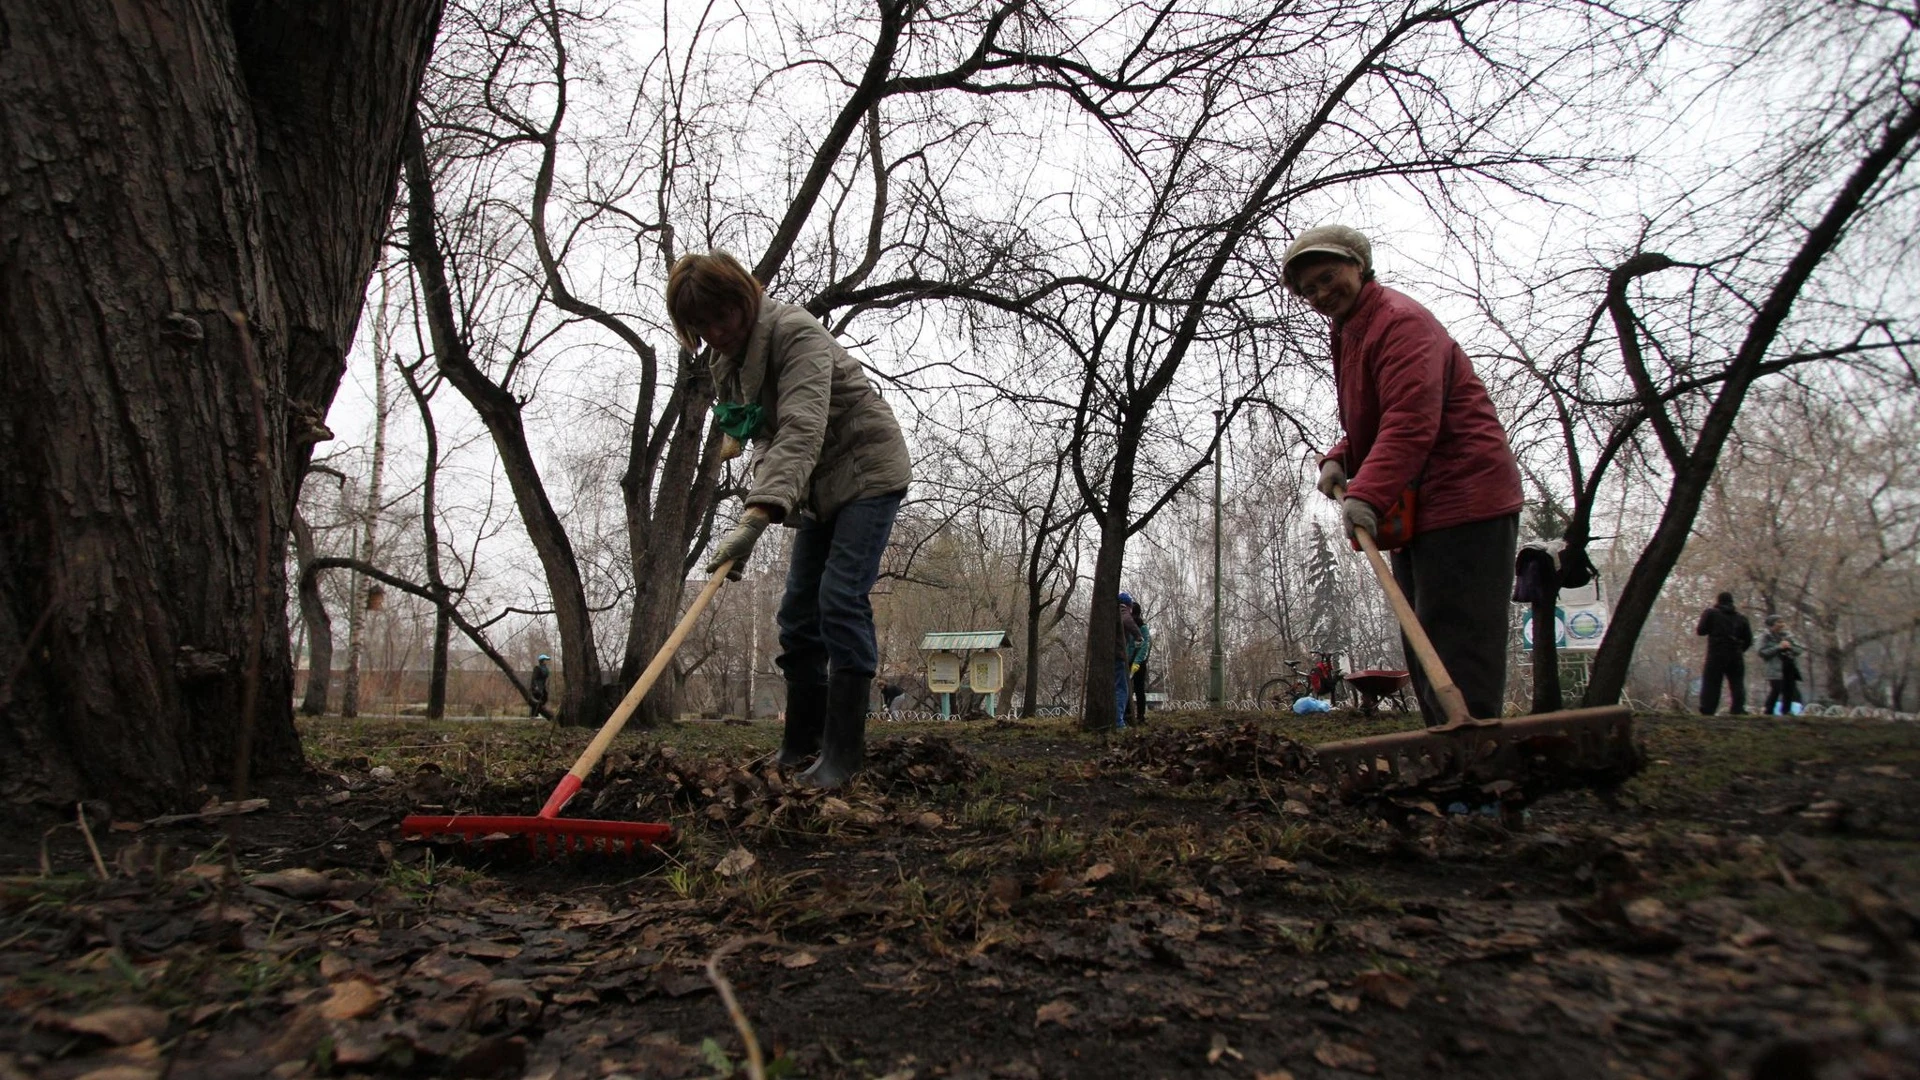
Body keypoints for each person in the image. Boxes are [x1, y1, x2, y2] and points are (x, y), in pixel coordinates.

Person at [667, 252, 912, 788]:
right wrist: (757, 506)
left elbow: (802, 427)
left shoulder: (795, 333)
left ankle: (843, 755)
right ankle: (803, 742)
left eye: (721, 317)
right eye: (700, 325)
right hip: (817, 487)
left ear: (742, 299)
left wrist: (757, 518)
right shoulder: (725, 360)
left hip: (867, 470)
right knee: (798, 614)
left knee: (840, 597)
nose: (715, 332)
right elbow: (759, 436)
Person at [1286, 225, 1524, 727]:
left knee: (1457, 639)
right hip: (1421, 503)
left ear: (1359, 265)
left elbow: (1413, 418)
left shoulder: (1399, 321)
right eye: (1309, 290)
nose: (1321, 295)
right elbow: (1377, 419)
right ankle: (1449, 754)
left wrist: (1367, 491)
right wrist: (1342, 455)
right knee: (1423, 636)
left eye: (1328, 278)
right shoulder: (1354, 330)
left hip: (1465, 497)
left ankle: (1479, 771)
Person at [1695, 592, 1754, 715]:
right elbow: (1748, 640)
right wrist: (1739, 650)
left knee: (1712, 682)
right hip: (1736, 654)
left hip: (1716, 653)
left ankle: (1708, 708)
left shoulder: (1711, 613)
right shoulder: (1741, 618)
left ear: (1718, 601)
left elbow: (1701, 631)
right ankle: (1738, 708)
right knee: (1737, 682)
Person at [1758, 614, 1803, 716]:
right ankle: (1768, 711)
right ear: (1771, 624)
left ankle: (1786, 711)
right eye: (1778, 622)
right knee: (1776, 690)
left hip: (1789, 666)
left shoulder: (1788, 636)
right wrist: (1778, 647)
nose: (1782, 624)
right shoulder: (1764, 637)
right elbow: (1762, 652)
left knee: (1789, 690)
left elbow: (1799, 649)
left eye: (1782, 622)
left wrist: (1790, 647)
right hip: (1774, 668)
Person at [1117, 592, 1142, 731]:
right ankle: (1118, 722)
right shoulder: (1123, 612)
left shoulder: (1111, 613)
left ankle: (1117, 719)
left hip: (1111, 654)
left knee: (1117, 687)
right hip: (1119, 655)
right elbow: (1128, 621)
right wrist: (1138, 636)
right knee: (1122, 688)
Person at [1128, 599, 1153, 725]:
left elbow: (1144, 646)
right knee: (1127, 689)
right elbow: (1128, 645)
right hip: (1128, 661)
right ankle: (1127, 715)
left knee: (1139, 689)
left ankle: (1141, 716)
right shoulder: (1127, 626)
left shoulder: (1143, 628)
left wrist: (1136, 662)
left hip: (1139, 663)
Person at [529, 654, 551, 719]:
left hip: (542, 686)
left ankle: (538, 712)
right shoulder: (537, 668)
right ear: (542, 661)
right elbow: (534, 678)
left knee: (545, 698)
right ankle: (534, 715)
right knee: (536, 700)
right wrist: (535, 686)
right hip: (537, 687)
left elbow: (545, 678)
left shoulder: (545, 668)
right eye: (545, 660)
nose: (546, 661)